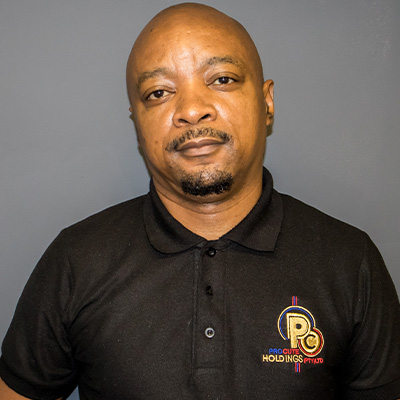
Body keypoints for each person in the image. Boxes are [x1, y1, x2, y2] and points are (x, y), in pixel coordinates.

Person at [1, 2, 399, 399]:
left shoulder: (351, 262)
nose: (191, 110)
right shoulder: (76, 260)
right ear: (137, 120)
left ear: (267, 102)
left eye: (222, 79)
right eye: (159, 92)